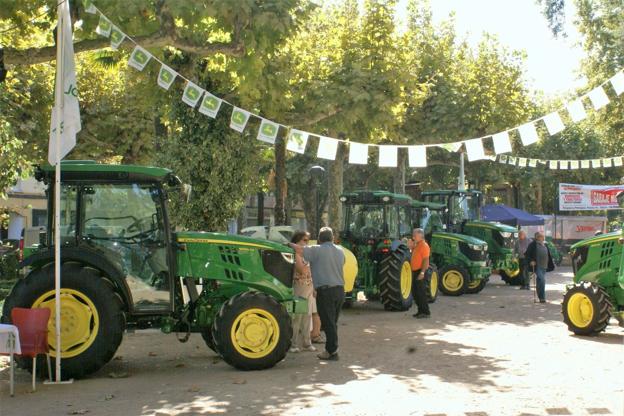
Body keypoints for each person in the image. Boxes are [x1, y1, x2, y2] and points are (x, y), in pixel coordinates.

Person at [290, 226, 344, 361]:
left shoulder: (316, 250)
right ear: (332, 238)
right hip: (340, 290)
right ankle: (332, 348)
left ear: (319, 239)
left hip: (326, 291)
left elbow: (299, 250)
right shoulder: (340, 251)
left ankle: (331, 351)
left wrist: (287, 243)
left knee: (328, 322)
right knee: (333, 322)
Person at [289, 231, 317, 353]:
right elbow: (302, 270)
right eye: (304, 240)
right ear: (297, 241)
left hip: (309, 287)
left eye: (307, 240)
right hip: (299, 287)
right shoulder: (296, 254)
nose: (307, 243)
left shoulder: (306, 254)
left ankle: (307, 342)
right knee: (297, 317)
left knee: (307, 316)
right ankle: (293, 344)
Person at [525, 231, 555, 303]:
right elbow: (527, 254)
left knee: (539, 281)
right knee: (542, 280)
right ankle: (543, 297)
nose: (542, 237)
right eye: (540, 236)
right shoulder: (533, 245)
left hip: (544, 266)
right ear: (536, 237)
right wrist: (531, 261)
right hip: (537, 266)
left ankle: (540, 297)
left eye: (542, 236)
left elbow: (548, 254)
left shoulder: (545, 244)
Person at [408, 228, 431, 319]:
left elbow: (426, 260)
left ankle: (425, 312)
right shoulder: (417, 245)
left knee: (421, 292)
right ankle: (420, 311)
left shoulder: (424, 246)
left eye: (415, 235)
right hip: (415, 271)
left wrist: (422, 272)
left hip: (420, 271)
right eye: (413, 235)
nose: (413, 237)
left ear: (421, 236)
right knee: (415, 292)